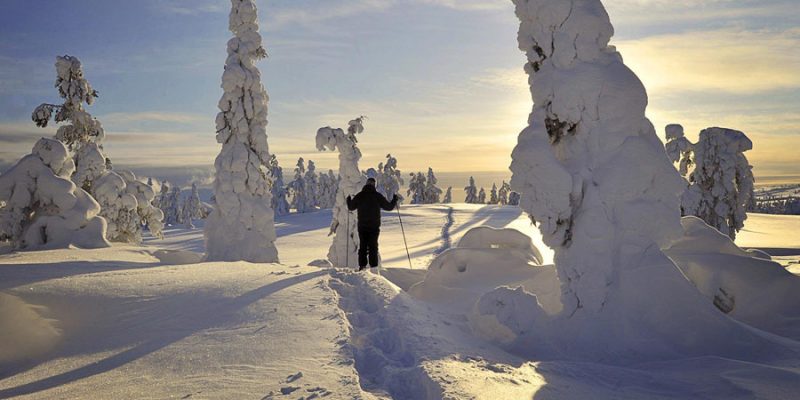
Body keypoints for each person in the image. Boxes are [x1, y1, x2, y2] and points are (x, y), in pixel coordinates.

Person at [346, 177, 398, 271]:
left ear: (366, 184)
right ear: (374, 185)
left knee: (363, 247)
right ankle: (374, 268)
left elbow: (351, 207)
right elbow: (389, 207)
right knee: (373, 247)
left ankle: (362, 267)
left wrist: (348, 200)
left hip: (362, 226)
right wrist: (394, 200)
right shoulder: (377, 196)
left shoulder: (360, 195)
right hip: (374, 227)